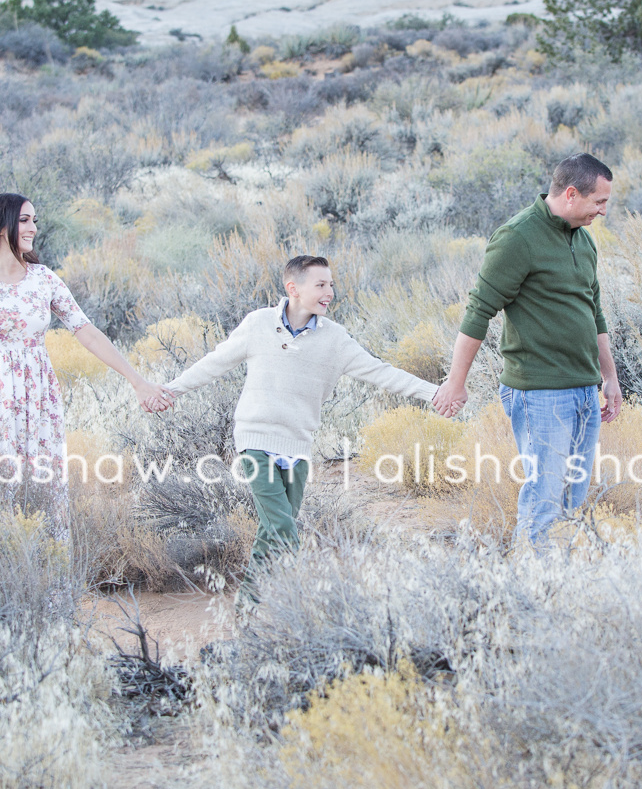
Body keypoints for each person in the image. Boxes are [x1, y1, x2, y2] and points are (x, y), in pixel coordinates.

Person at [160, 254, 440, 604]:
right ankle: (278, 607)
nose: (330, 292)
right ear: (293, 288)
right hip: (255, 442)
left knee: (272, 531)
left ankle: (252, 609)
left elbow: (382, 372)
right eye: (321, 285)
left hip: (298, 446)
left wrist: (434, 393)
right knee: (282, 529)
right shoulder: (258, 324)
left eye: (331, 285)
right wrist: (170, 391)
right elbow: (213, 363)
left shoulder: (336, 339)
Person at [433, 153, 622, 547]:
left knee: (573, 495)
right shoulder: (518, 237)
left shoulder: (584, 241)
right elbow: (478, 311)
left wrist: (610, 378)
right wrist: (455, 382)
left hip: (585, 389)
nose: (603, 212)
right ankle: (532, 587)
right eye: (599, 202)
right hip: (540, 393)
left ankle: (559, 579)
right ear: (571, 194)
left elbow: (595, 312)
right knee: (544, 496)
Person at [0, 193, 172, 541]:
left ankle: (48, 589)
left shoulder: (42, 278)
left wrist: (137, 381)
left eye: (34, 220)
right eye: (24, 220)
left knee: (41, 491)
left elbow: (87, 331)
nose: (33, 227)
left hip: (37, 399)